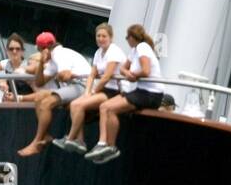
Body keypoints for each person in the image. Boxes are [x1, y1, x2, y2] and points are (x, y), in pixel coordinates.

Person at [88, 24, 163, 163]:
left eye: (127, 37)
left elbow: (146, 71)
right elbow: (123, 68)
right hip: (140, 91)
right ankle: (106, 145)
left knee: (107, 108)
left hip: (151, 93)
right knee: (105, 106)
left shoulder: (142, 47)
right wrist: (127, 73)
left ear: (132, 37)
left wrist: (133, 75)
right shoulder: (134, 51)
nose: (126, 40)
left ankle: (107, 144)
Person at [53, 22, 124, 154]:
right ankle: (78, 139)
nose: (101, 39)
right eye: (98, 36)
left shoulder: (114, 51)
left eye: (104, 36)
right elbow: (92, 75)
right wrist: (87, 92)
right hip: (101, 90)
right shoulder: (98, 52)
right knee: (73, 104)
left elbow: (107, 76)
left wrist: (93, 92)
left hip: (114, 91)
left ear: (111, 37)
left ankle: (71, 138)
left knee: (77, 105)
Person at [17, 31, 90, 157]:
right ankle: (45, 135)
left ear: (44, 49)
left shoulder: (59, 54)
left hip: (85, 86)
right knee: (40, 96)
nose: (40, 53)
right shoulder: (52, 59)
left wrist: (60, 75)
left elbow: (65, 75)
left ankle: (37, 142)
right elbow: (39, 83)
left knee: (46, 103)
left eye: (40, 50)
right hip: (75, 86)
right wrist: (41, 63)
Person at [0, 33, 39, 101]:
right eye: (11, 49)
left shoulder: (29, 66)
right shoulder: (6, 63)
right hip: (10, 104)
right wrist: (1, 81)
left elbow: (39, 94)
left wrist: (18, 98)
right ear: (7, 51)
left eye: (17, 49)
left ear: (22, 51)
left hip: (25, 105)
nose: (14, 51)